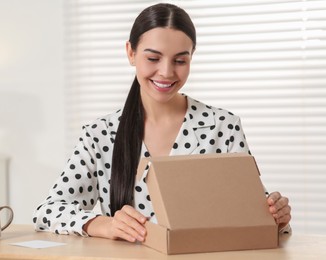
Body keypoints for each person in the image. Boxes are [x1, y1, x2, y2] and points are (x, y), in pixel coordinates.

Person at [33, 3, 291, 243]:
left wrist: (276, 215)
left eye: (180, 60)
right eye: (153, 58)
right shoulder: (99, 135)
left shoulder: (222, 126)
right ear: (130, 53)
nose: (167, 72)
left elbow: (254, 213)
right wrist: (103, 224)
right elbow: (49, 211)